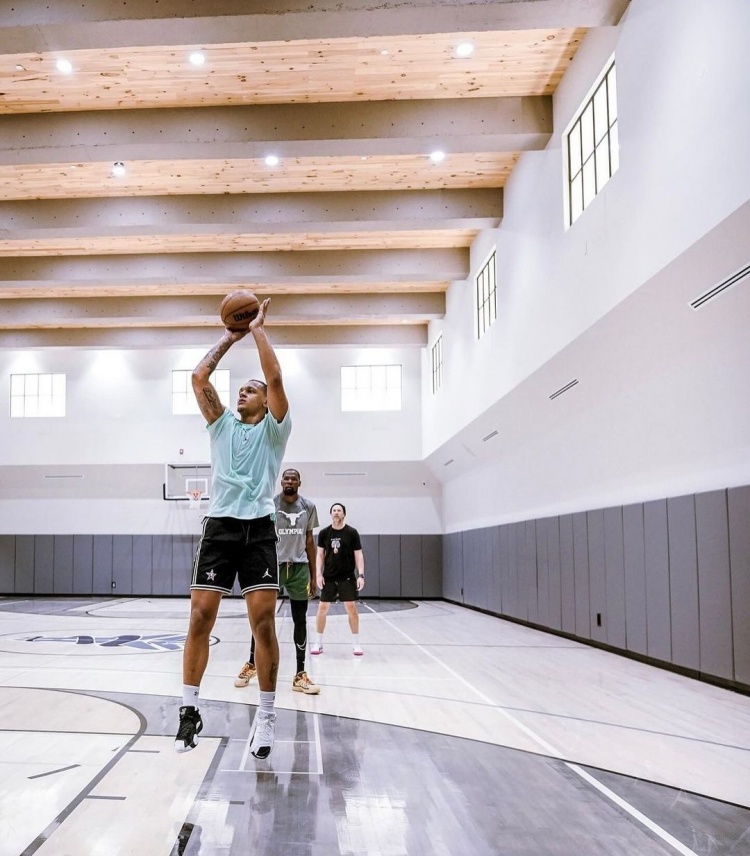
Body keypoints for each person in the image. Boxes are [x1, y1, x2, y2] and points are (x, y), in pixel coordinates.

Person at [175, 297, 290, 759]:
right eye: (240, 389)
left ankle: (265, 717)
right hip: (220, 528)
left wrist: (258, 329)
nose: (243, 392)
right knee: (201, 616)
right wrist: (230, 335)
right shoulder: (221, 424)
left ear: (265, 400)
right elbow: (199, 378)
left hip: (259, 529)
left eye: (250, 389)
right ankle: (189, 710)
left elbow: (277, 378)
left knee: (262, 623)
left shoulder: (275, 430)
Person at [235, 467, 321, 694]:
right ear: (281, 482)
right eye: (286, 478)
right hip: (272, 567)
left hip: (299, 568)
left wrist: (314, 575)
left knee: (300, 620)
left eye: (294, 478)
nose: (289, 481)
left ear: (299, 483)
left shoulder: (308, 507)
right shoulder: (270, 505)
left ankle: (300, 674)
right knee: (262, 618)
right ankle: (252, 664)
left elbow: (310, 541)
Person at [312, 503, 365, 656]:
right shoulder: (324, 533)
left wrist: (361, 575)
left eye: (339, 510)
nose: (336, 512)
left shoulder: (352, 533)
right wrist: (318, 574)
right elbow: (320, 555)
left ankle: (356, 644)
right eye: (334, 510)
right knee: (322, 609)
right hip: (328, 577)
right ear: (331, 514)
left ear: (344, 514)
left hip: (347, 577)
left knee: (351, 608)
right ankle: (318, 642)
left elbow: (359, 555)